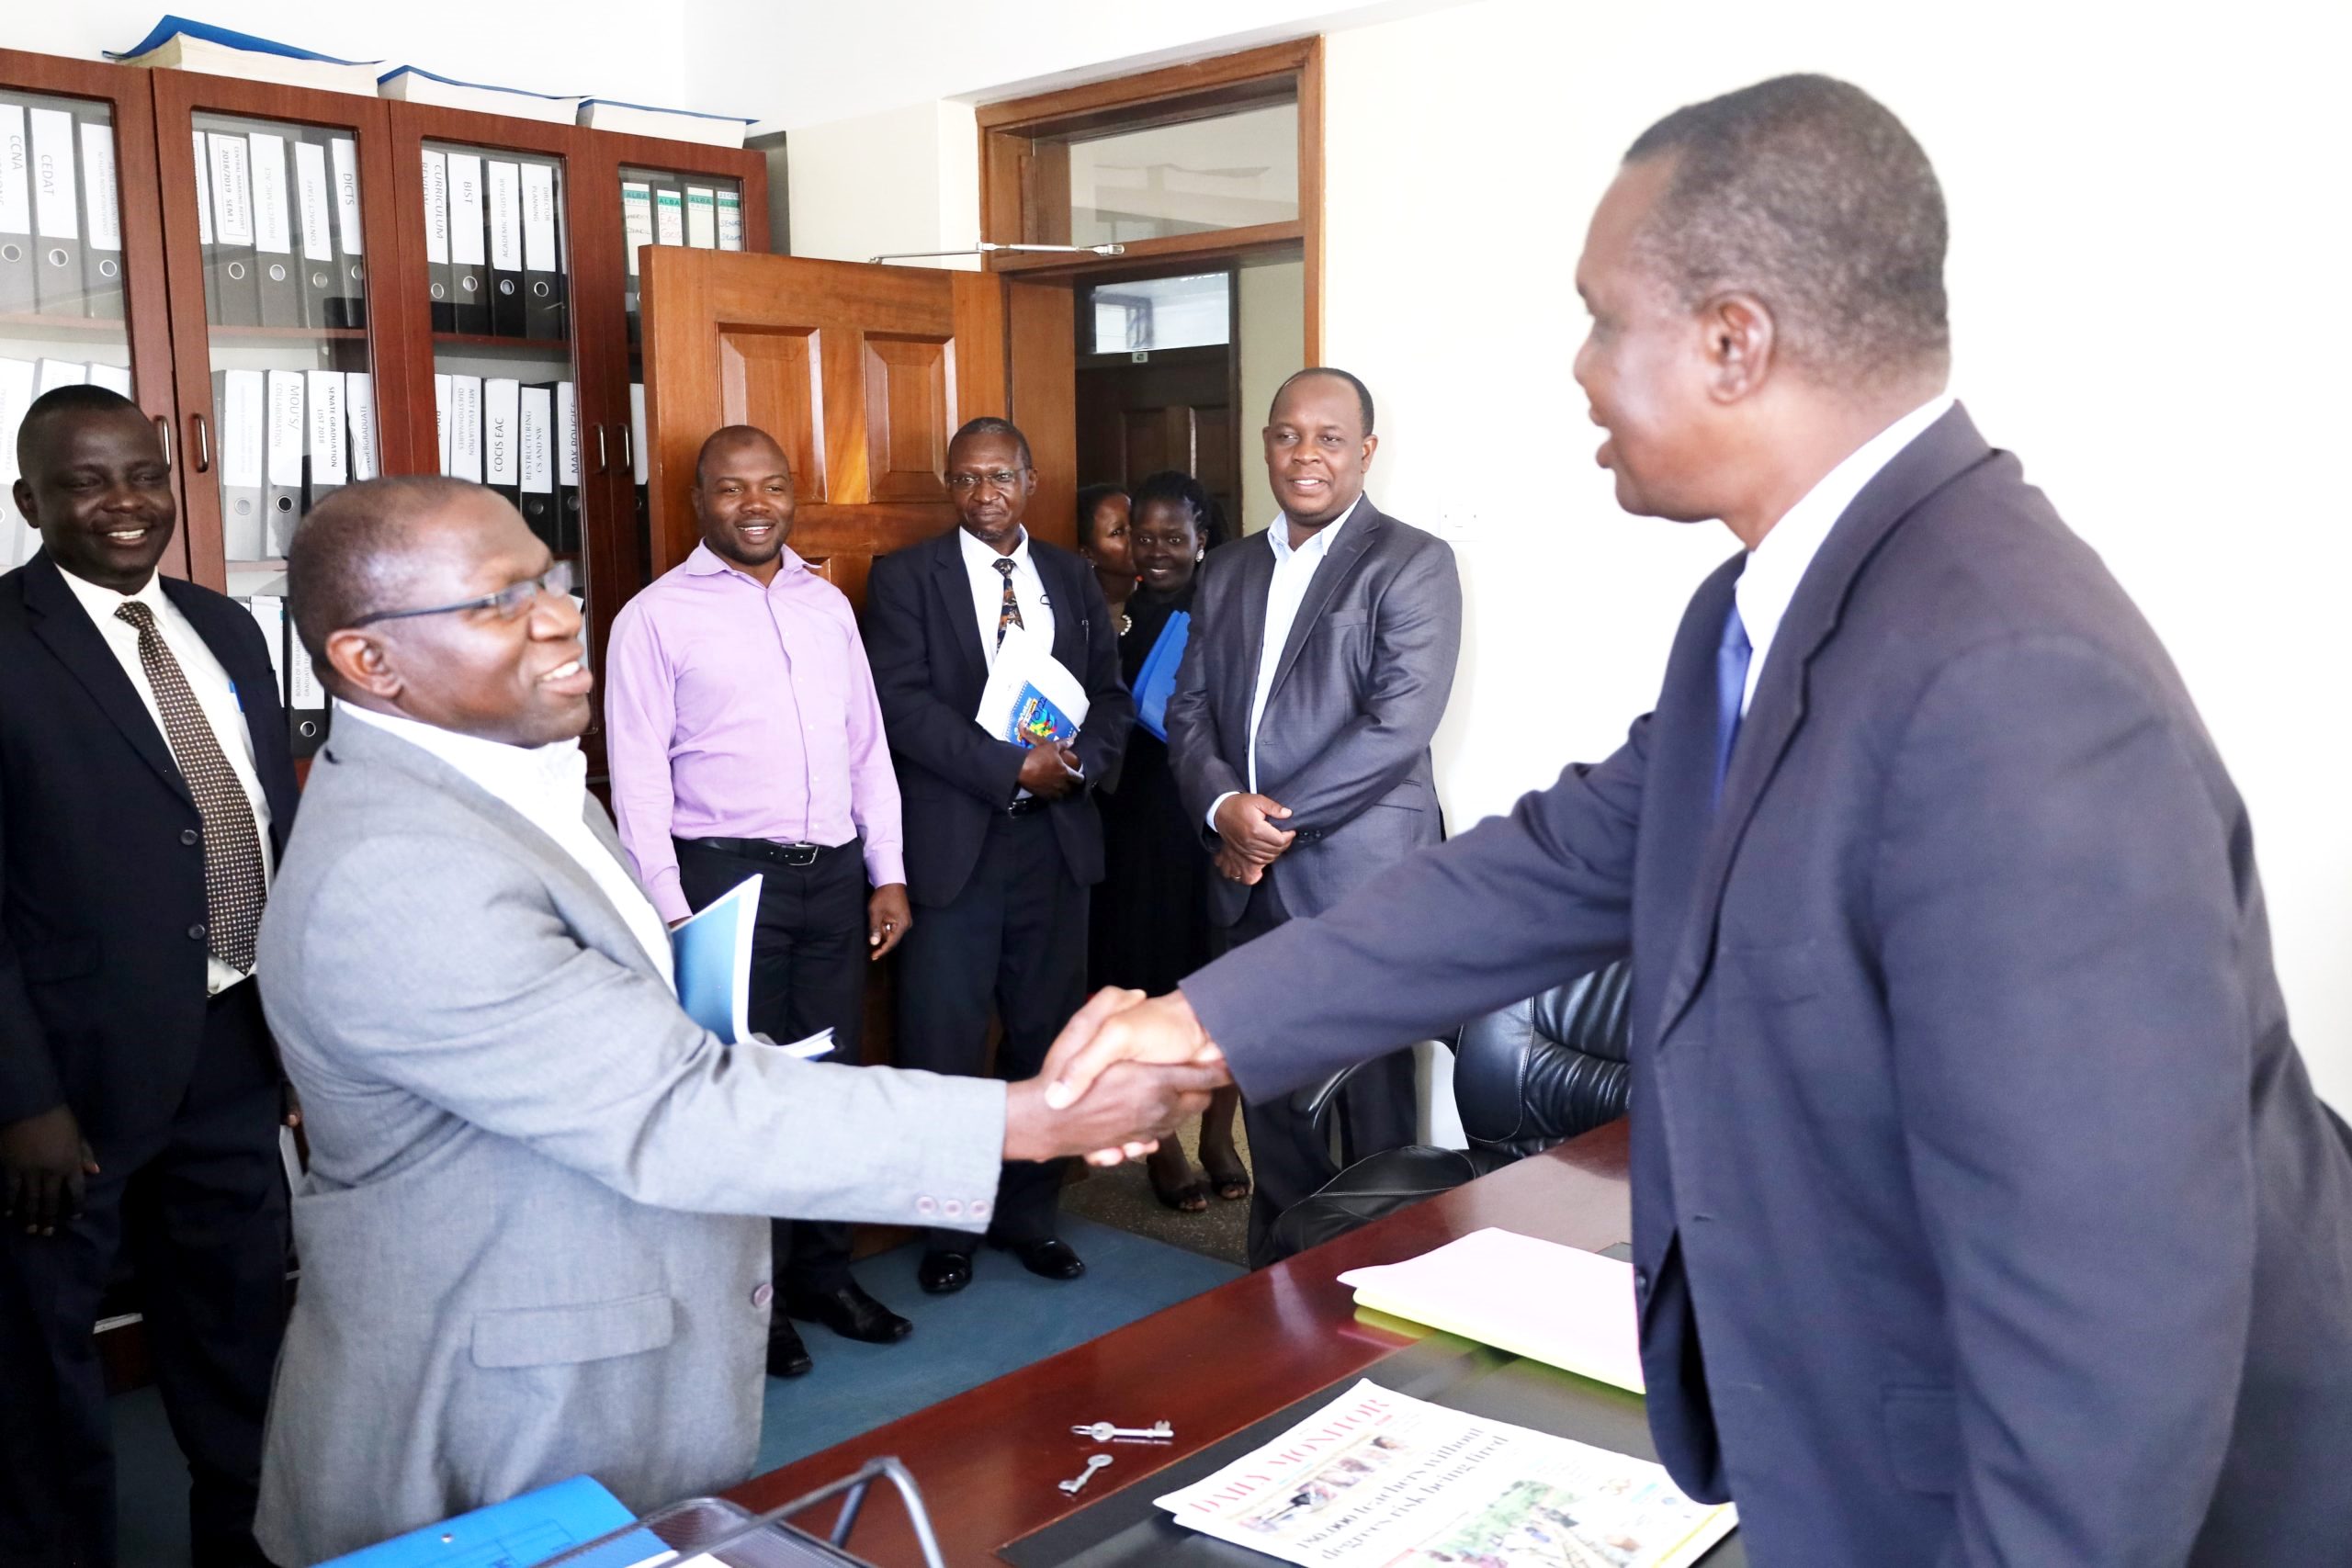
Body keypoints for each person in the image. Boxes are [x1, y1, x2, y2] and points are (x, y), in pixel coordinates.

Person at [1044, 75, 2352, 1566]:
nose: (1584, 370)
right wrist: (1203, 1023)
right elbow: (1557, 861)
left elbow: (2110, 1320)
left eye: (1606, 318)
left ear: (1736, 339)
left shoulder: (2014, 680)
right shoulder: (1783, 601)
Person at [253, 476, 1209, 1562]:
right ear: (367, 662)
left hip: (596, 1386)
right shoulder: (398, 871)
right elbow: (676, 1109)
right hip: (490, 1435)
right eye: (497, 601)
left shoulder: (520, 784)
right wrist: (1032, 1118)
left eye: (552, 580)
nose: (564, 614)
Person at [0, 386, 299, 1568]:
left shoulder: (225, 627)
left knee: (239, 1333)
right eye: (88, 481)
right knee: (46, 1368)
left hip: (230, 1042)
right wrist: (20, 1100)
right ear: (31, 501)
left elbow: (264, 824)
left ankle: (249, 1547)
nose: (125, 503)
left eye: (144, 475)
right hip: (65, 1085)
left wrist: (294, 1042)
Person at [604, 424, 917, 1380]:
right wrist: (669, 908)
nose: (755, 505)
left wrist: (888, 871)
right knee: (740, 1094)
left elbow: (867, 748)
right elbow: (638, 780)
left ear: (793, 496)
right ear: (700, 501)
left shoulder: (828, 609)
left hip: (832, 877)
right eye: (733, 489)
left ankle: (824, 1274)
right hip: (719, 881)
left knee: (826, 1085)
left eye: (772, 486)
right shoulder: (651, 619)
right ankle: (758, 1301)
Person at [1164, 367, 1462, 1265]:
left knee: (1372, 1120)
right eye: (1287, 434)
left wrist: (1267, 824)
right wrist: (1222, 807)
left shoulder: (1412, 562)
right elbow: (1188, 711)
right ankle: (1275, 1295)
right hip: (1246, 882)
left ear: (1365, 451)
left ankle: (1375, 1311)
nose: (1305, 454)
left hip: (1361, 885)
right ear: (1264, 445)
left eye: (1329, 438)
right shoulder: (1226, 567)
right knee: (1274, 1104)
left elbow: (1398, 725)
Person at [862, 417, 1135, 1293]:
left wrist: (1082, 763)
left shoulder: (1070, 575)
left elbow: (1109, 697)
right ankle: (949, 1227)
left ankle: (1028, 1216)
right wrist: (1007, 764)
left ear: (1031, 478)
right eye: (968, 479)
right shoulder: (907, 577)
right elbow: (898, 705)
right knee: (942, 1041)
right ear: (951, 484)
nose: (986, 494)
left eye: (1001, 477)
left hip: (1055, 848)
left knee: (1045, 1038)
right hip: (956, 848)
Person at [1088, 470, 1245, 1212]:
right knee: (1142, 981)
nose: (1153, 551)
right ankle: (1164, 1146)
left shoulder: (1229, 605)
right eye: (1140, 535)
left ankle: (1220, 1134)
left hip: (1203, 818)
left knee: (1220, 984)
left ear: (1201, 538)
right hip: (1129, 827)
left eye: (1172, 537)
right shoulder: (1105, 611)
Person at [1076, 482, 1136, 631]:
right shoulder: (1083, 614)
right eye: (1117, 532)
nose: (1135, 535)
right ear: (1088, 554)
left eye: (1135, 522)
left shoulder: (1160, 595)